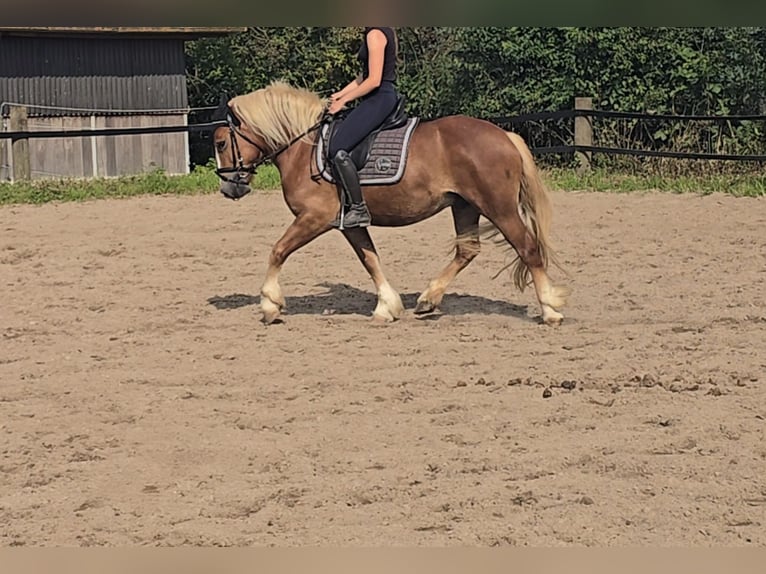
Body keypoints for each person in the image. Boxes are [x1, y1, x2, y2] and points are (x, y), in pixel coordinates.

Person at [326, 27, 400, 228]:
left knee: (337, 149)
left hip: (379, 97)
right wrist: (341, 94)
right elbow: (363, 76)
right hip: (376, 96)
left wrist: (345, 101)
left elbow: (374, 80)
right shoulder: (381, 30)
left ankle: (358, 209)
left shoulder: (375, 33)